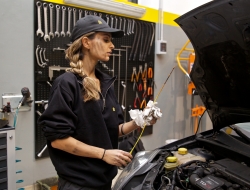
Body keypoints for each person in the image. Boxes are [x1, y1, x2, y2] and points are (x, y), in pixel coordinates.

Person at [38, 15, 160, 190]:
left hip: (103, 181)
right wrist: (103, 154)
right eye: (105, 40)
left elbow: (111, 130)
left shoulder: (105, 83)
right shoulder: (66, 84)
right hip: (78, 184)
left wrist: (140, 121)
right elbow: (59, 140)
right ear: (86, 42)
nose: (112, 45)